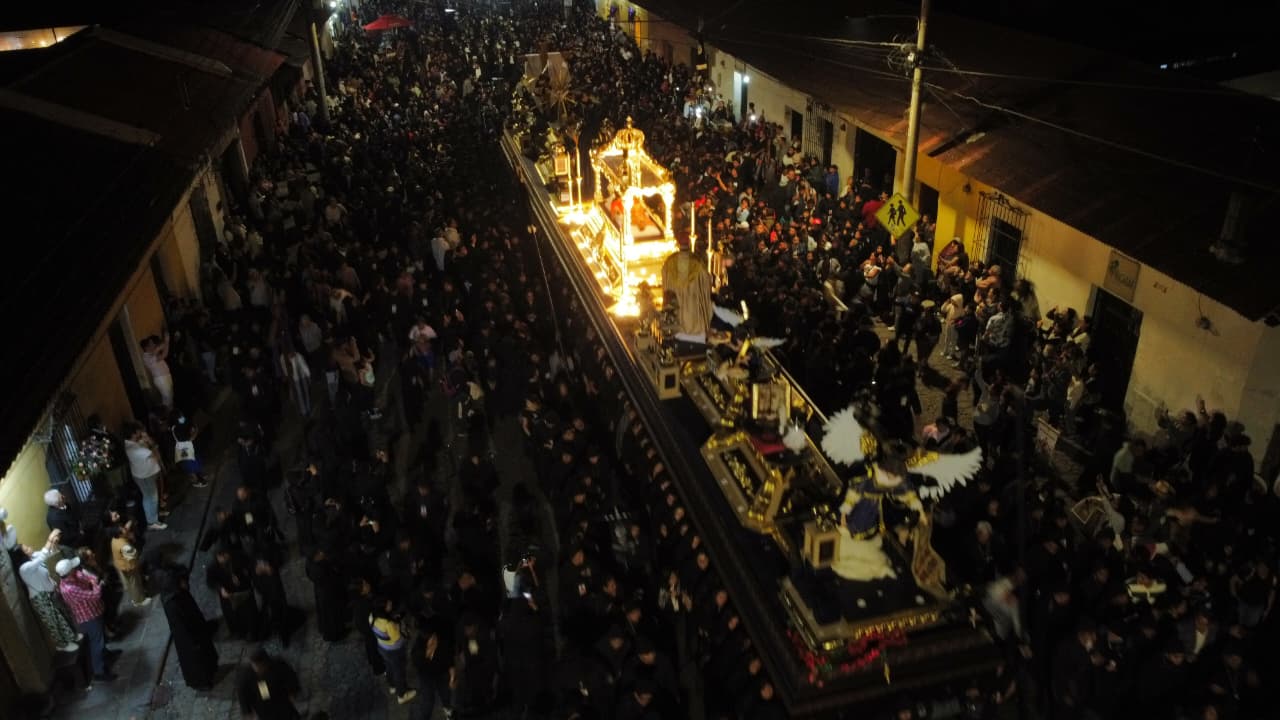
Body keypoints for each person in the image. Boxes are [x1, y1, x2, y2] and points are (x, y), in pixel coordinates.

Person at [14, 529, 80, 652]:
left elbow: (45, 552)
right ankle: (61, 645)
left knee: (59, 617)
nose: (29, 548)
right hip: (39, 598)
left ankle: (70, 637)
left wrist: (52, 541)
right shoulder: (24, 568)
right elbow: (43, 555)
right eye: (26, 548)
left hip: (47, 593)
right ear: (21, 555)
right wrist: (50, 539)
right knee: (52, 622)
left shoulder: (32, 558)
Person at [56, 555, 114, 682]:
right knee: (96, 643)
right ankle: (99, 672)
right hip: (88, 617)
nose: (76, 568)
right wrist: (97, 584)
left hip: (94, 609)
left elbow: (89, 577)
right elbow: (95, 595)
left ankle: (106, 655)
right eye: (73, 567)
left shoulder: (72, 575)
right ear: (68, 572)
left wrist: (94, 581)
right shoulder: (69, 589)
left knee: (101, 637)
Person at [370, 596, 417, 704]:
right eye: (388, 604)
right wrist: (401, 627)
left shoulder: (372, 616)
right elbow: (397, 638)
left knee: (389, 666)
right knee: (399, 671)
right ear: (384, 608)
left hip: (382, 647)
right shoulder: (389, 624)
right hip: (395, 651)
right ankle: (402, 694)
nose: (391, 603)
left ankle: (392, 686)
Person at [124, 421, 167, 530]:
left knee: (153, 497)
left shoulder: (136, 442)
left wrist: (148, 440)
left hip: (148, 473)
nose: (141, 433)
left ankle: (155, 514)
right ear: (133, 433)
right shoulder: (133, 448)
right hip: (144, 476)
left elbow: (152, 446)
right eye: (139, 431)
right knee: (150, 498)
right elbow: (155, 453)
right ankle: (152, 522)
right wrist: (150, 443)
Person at [237, 647, 301, 719]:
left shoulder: (278, 664)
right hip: (262, 706)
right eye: (254, 665)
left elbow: (290, 677)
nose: (257, 669)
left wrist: (292, 692)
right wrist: (247, 711)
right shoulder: (246, 674)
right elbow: (242, 692)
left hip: (280, 698)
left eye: (260, 666)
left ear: (265, 662)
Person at [110, 520, 149, 606]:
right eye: (123, 529)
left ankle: (134, 598)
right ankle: (139, 601)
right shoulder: (124, 546)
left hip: (120, 565)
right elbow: (134, 554)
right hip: (128, 567)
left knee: (130, 583)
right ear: (120, 534)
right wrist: (133, 539)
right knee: (135, 583)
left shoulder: (114, 539)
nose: (125, 529)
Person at [141, 331, 175, 408]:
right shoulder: (146, 356)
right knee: (167, 400)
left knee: (170, 399)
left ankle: (169, 414)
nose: (154, 345)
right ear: (146, 347)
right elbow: (157, 349)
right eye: (151, 344)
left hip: (165, 376)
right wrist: (166, 341)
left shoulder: (153, 354)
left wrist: (167, 342)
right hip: (161, 379)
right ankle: (166, 416)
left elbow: (164, 354)